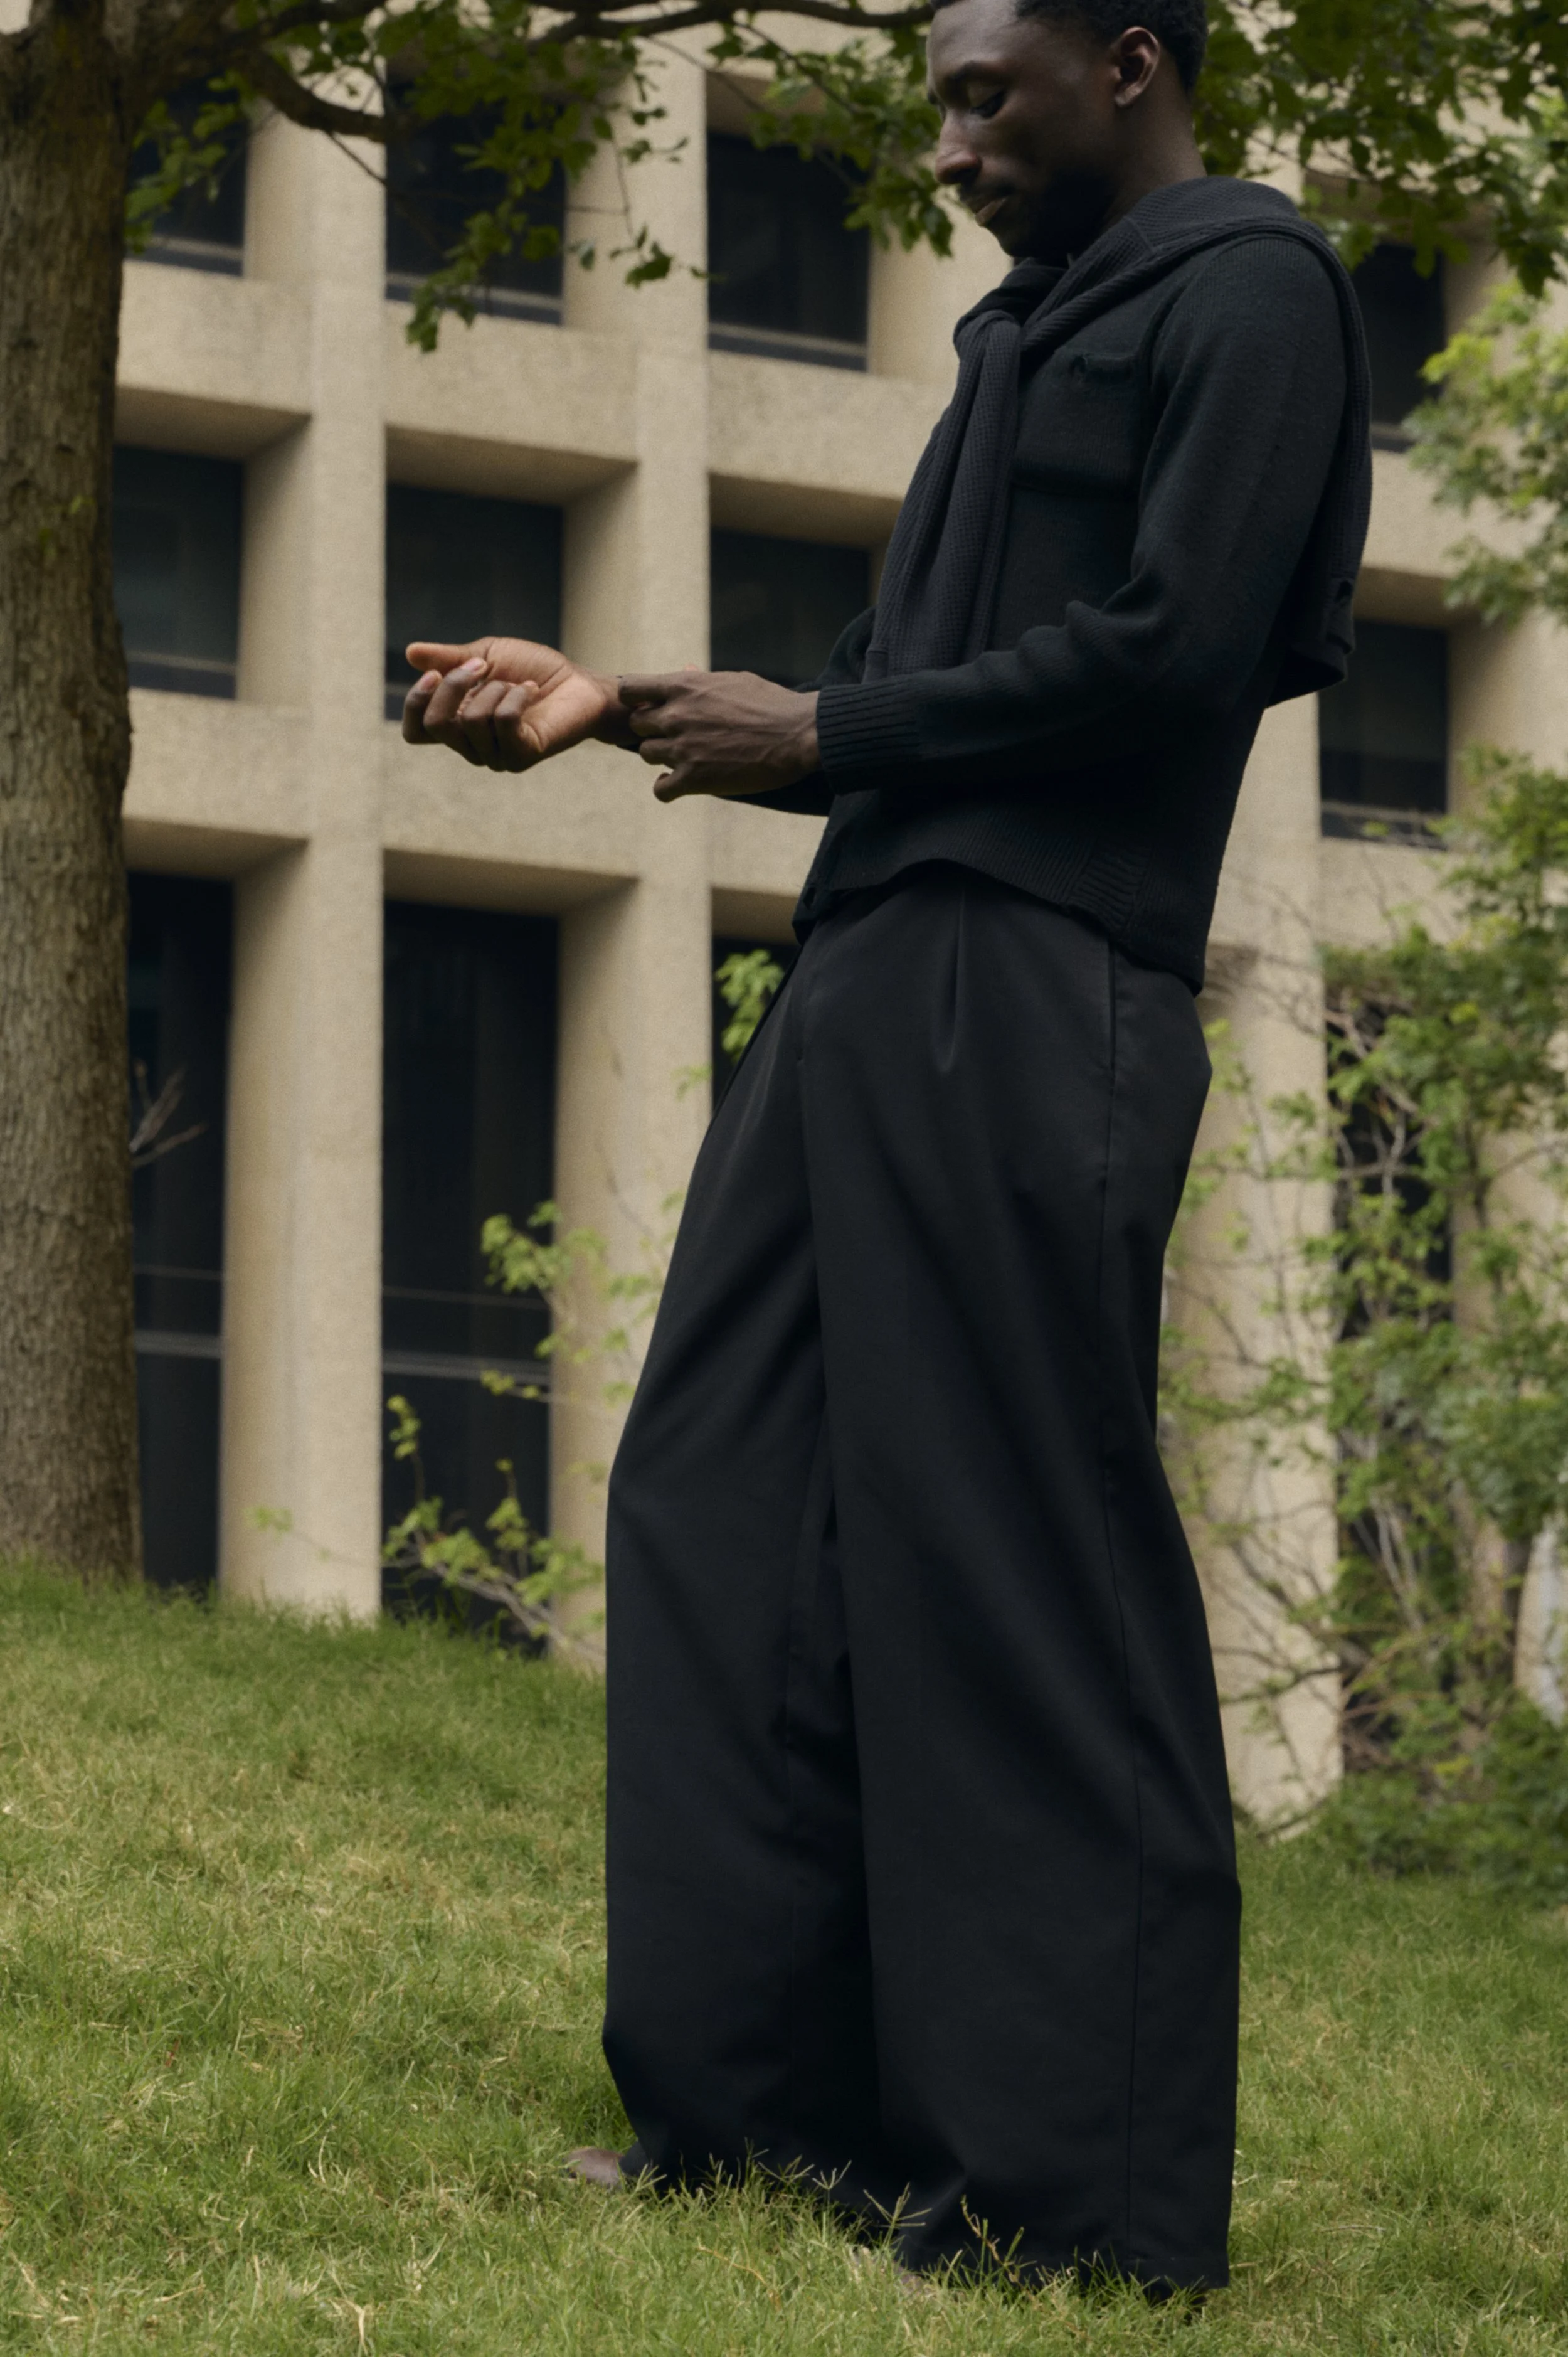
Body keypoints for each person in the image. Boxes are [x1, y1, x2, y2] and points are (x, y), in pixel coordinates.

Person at [401, 0, 1370, 2293]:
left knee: (999, 1555)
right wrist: (622, 700)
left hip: (1043, 988)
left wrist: (822, 729)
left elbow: (1171, 650)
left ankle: (1072, 2206)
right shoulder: (1025, 331)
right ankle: (760, 2122)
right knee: (725, 1498)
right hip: (866, 965)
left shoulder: (1254, 293)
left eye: (979, 96)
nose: (944, 149)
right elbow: (906, 672)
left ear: (1124, 61)